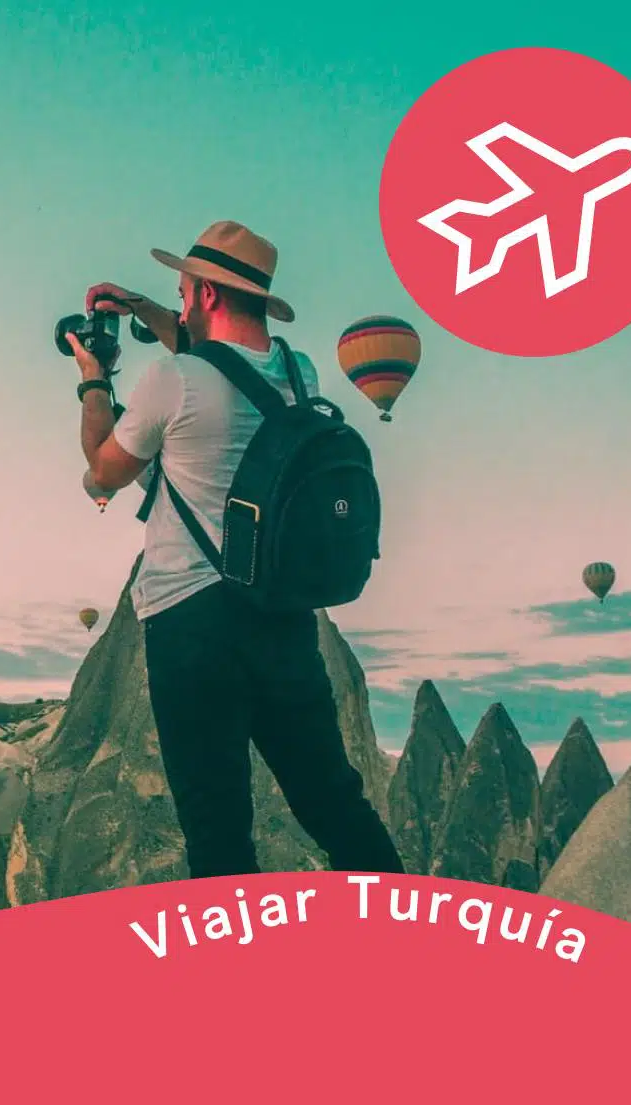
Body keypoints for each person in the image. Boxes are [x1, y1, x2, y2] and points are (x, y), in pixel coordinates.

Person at [66, 220, 403, 880]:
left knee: (217, 828)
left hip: (191, 622)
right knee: (335, 803)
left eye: (184, 290)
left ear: (208, 296)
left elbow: (104, 472)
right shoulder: (299, 375)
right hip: (283, 616)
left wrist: (94, 379)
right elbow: (221, 363)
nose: (180, 300)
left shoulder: (173, 380)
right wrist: (142, 308)